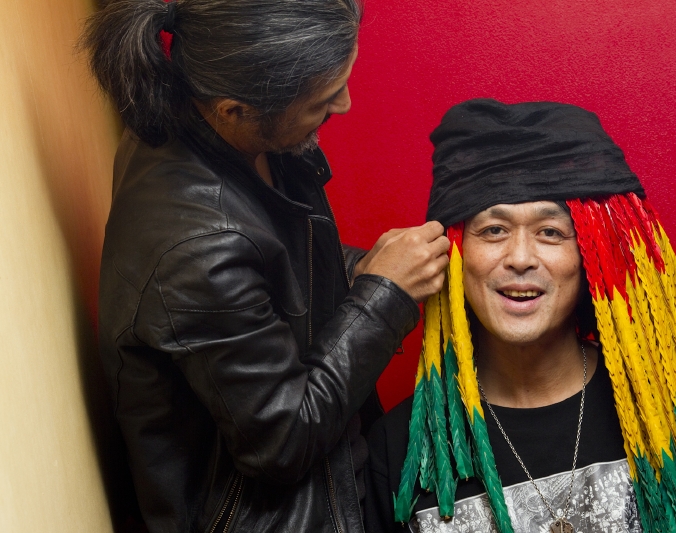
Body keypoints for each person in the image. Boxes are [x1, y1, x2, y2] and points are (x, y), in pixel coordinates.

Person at [80, 1, 450, 532]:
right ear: (235, 110)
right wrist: (384, 294)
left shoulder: (205, 117)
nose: (345, 103)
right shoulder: (198, 251)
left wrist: (361, 270)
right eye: (322, 99)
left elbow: (268, 278)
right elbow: (282, 441)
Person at [365, 99, 676, 533]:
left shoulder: (675, 408)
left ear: (593, 254)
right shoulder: (398, 447)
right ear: (455, 254)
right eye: (493, 230)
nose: (520, 257)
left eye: (551, 232)